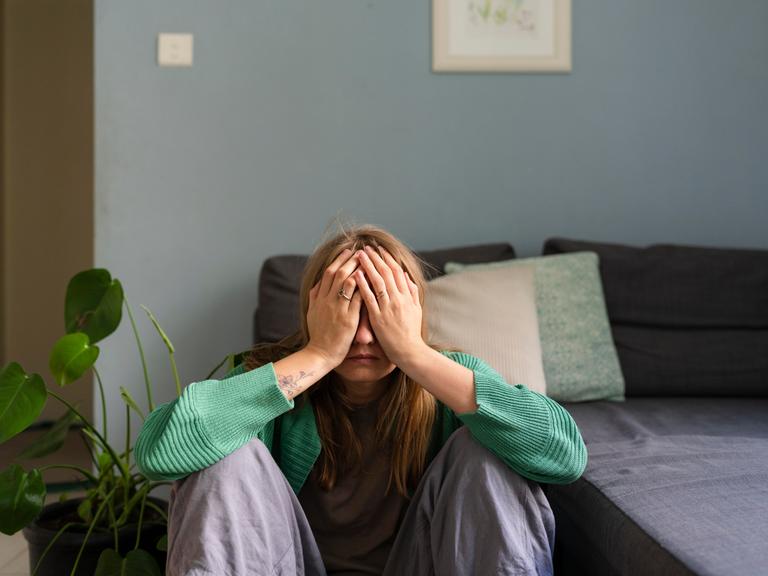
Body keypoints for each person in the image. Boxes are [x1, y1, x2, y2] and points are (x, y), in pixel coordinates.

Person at [134, 223, 588, 576]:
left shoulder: (446, 377)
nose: (364, 337)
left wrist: (413, 353)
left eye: (380, 314)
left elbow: (565, 455)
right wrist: (319, 353)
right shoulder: (275, 376)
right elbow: (159, 454)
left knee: (487, 450)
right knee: (226, 454)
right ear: (316, 312)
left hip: (419, 564)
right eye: (348, 311)